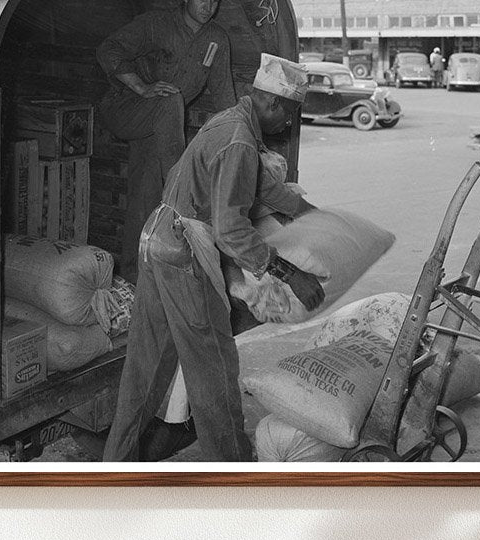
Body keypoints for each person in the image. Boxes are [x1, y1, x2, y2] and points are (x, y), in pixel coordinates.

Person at [103, 54, 324, 463]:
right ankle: (236, 473)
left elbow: (256, 185)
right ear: (273, 104)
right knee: (215, 369)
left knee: (144, 369)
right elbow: (231, 230)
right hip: (184, 252)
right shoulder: (239, 139)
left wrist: (308, 213)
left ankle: (113, 469)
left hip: (156, 238)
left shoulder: (232, 122)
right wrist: (290, 275)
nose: (289, 125)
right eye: (290, 115)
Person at [97, 0, 236, 282]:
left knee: (144, 196)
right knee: (170, 101)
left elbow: (225, 96)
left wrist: (240, 138)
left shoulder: (216, 39)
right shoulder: (155, 24)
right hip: (125, 107)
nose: (208, 7)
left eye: (214, 1)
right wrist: (140, 87)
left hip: (160, 125)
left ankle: (136, 277)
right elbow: (107, 49)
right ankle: (181, 192)